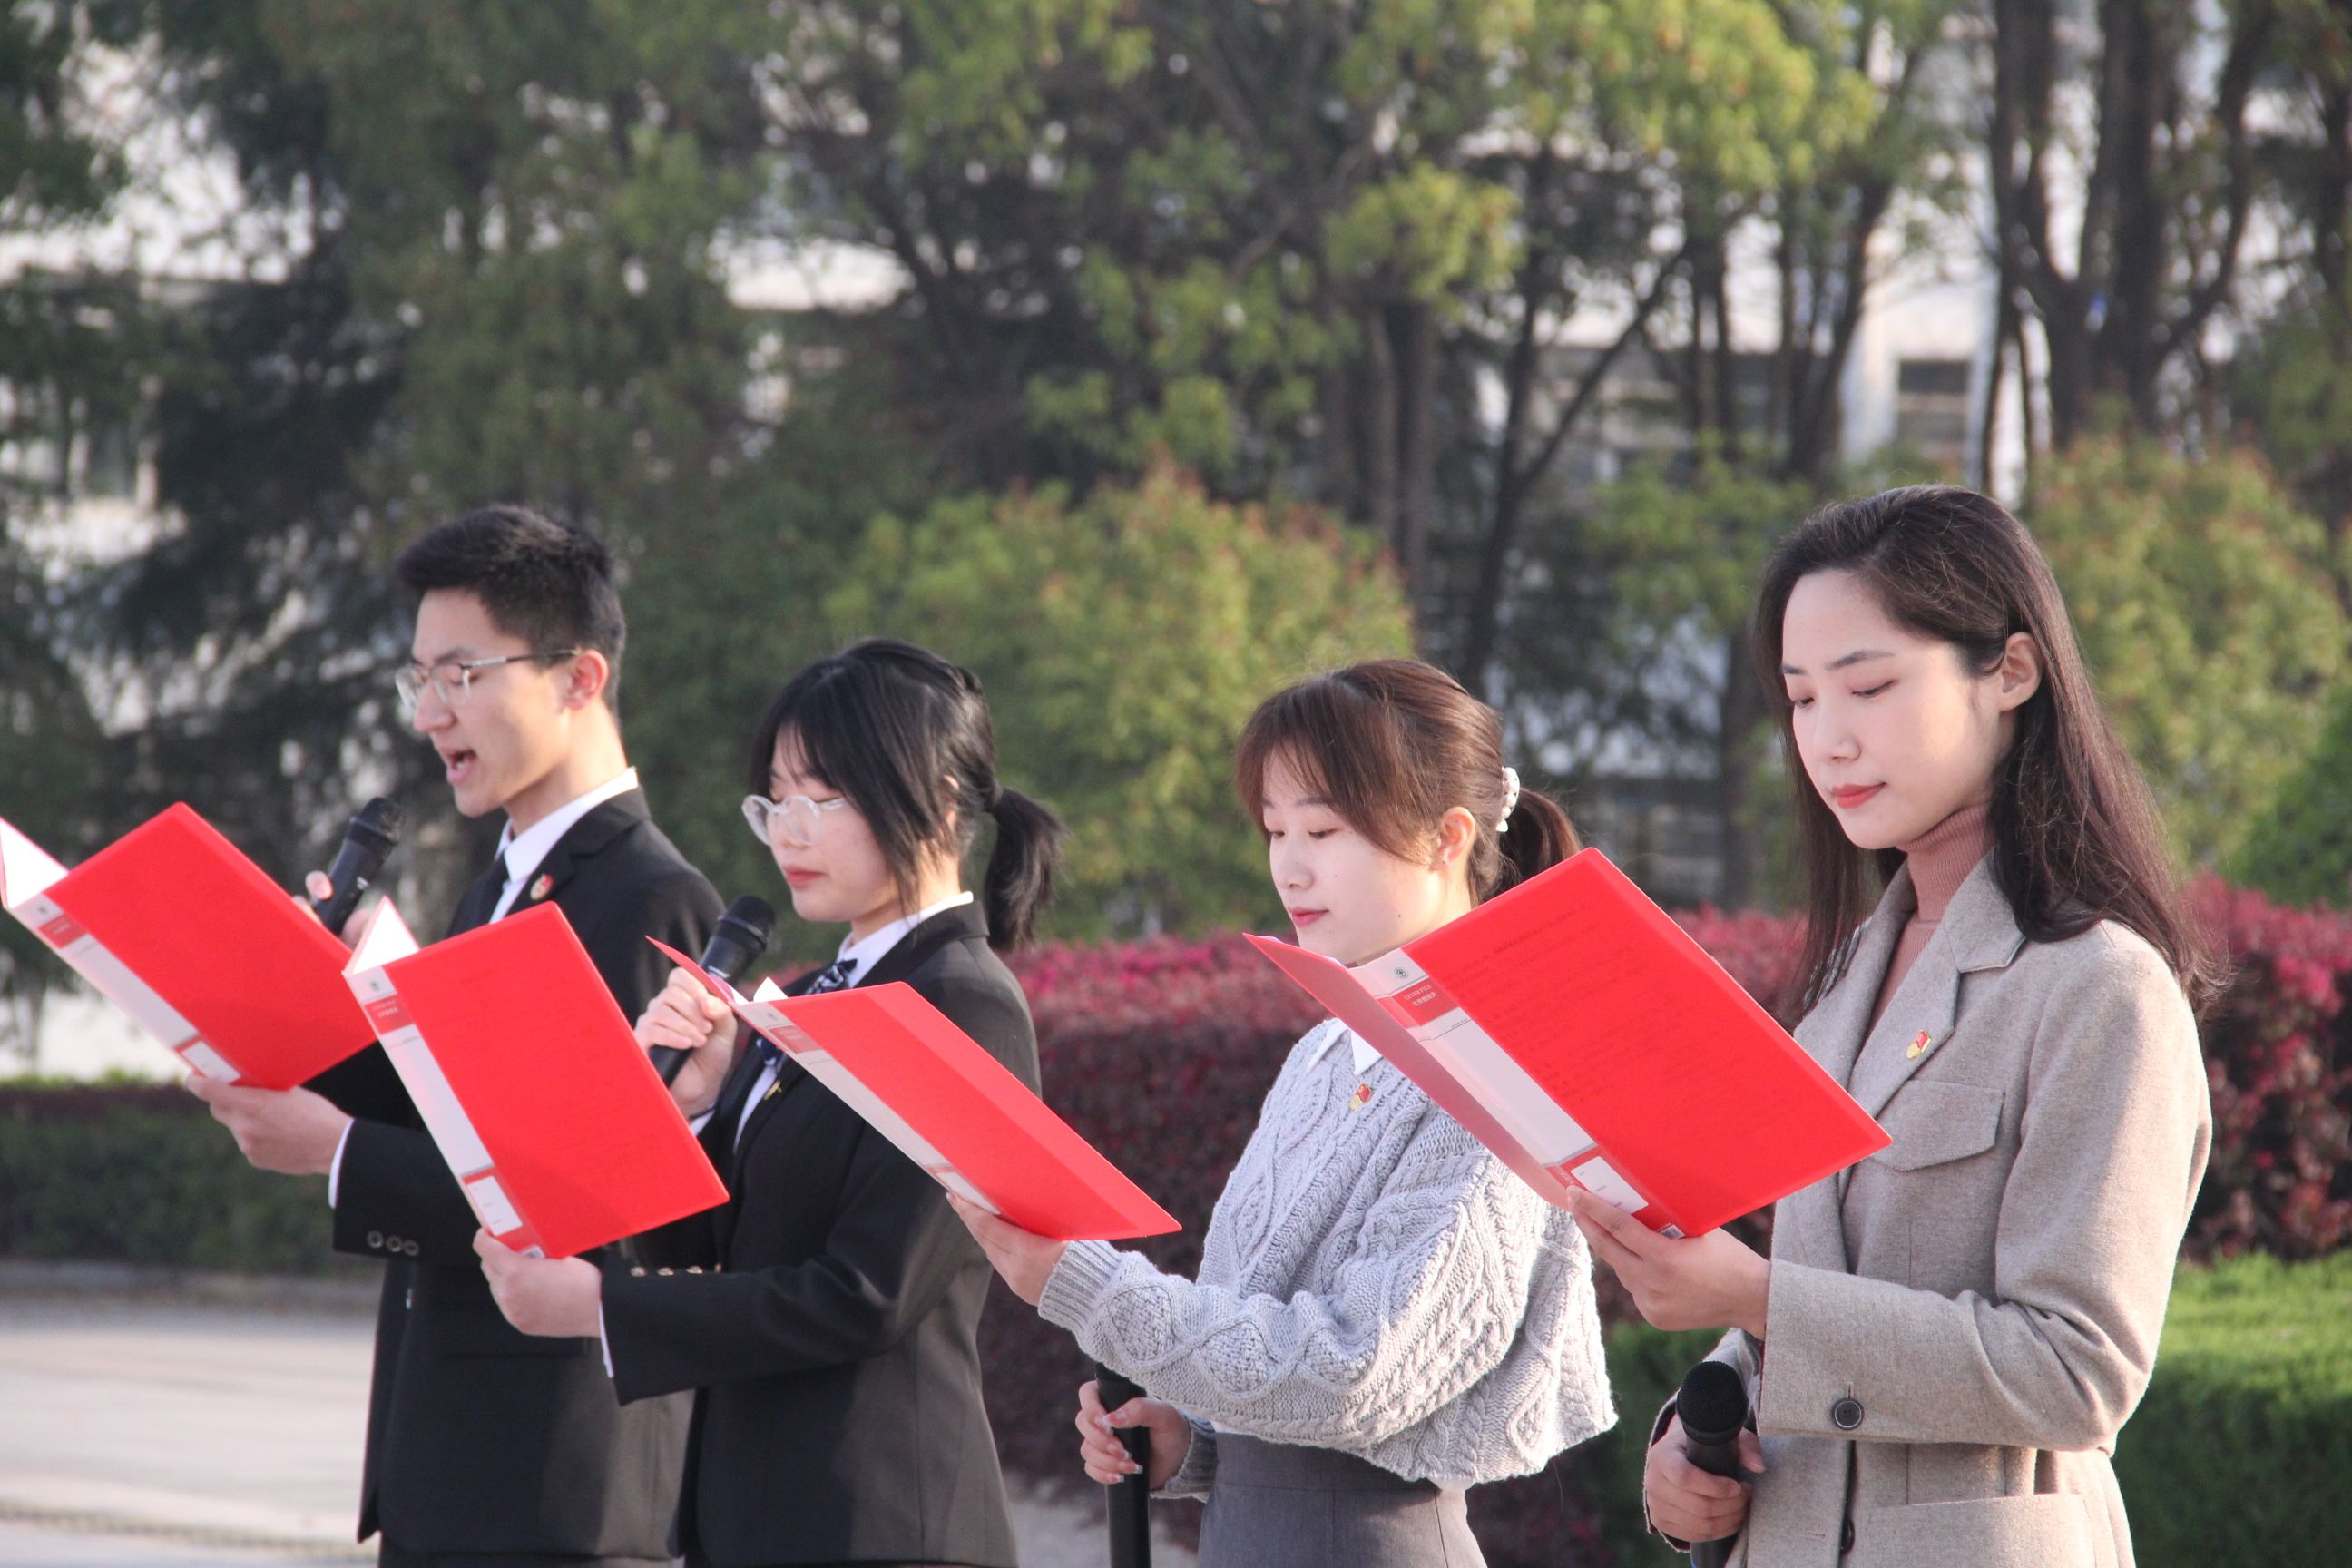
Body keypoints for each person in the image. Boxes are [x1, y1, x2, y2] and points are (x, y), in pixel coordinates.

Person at [1575, 486, 2215, 1567]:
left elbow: (2077, 1372)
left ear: (2012, 672)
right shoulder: (1843, 985)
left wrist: (1760, 1297)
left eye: (1869, 686)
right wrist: (1704, 1418)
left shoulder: (2100, 988)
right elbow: (1835, 1287)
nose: (1829, 739)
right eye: (1801, 699)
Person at [952, 658, 1614, 1568]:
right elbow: (1283, 1360)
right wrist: (1194, 1445)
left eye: (1325, 830)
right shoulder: (1325, 1052)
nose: (1290, 867)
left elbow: (1357, 1375)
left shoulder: (1498, 1075)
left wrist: (1090, 1287)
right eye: (1275, 830)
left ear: (1446, 837)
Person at [189, 506, 720, 1567]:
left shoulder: (651, 900)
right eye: (419, 678)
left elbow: (590, 1198)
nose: (431, 713)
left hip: (557, 1481)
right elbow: (457, 1123)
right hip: (453, 1463)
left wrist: (340, 1151)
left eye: (463, 675)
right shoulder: (498, 888)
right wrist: (303, 1013)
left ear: (579, 679)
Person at [476, 637, 1064, 1568]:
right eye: (774, 801)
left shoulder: (961, 1001)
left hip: (878, 1524)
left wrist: (603, 1308)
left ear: (942, 801)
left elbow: (866, 1296)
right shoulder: (824, 992)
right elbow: (723, 1250)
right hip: (763, 1512)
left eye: (822, 800)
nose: (789, 831)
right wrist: (695, 1112)